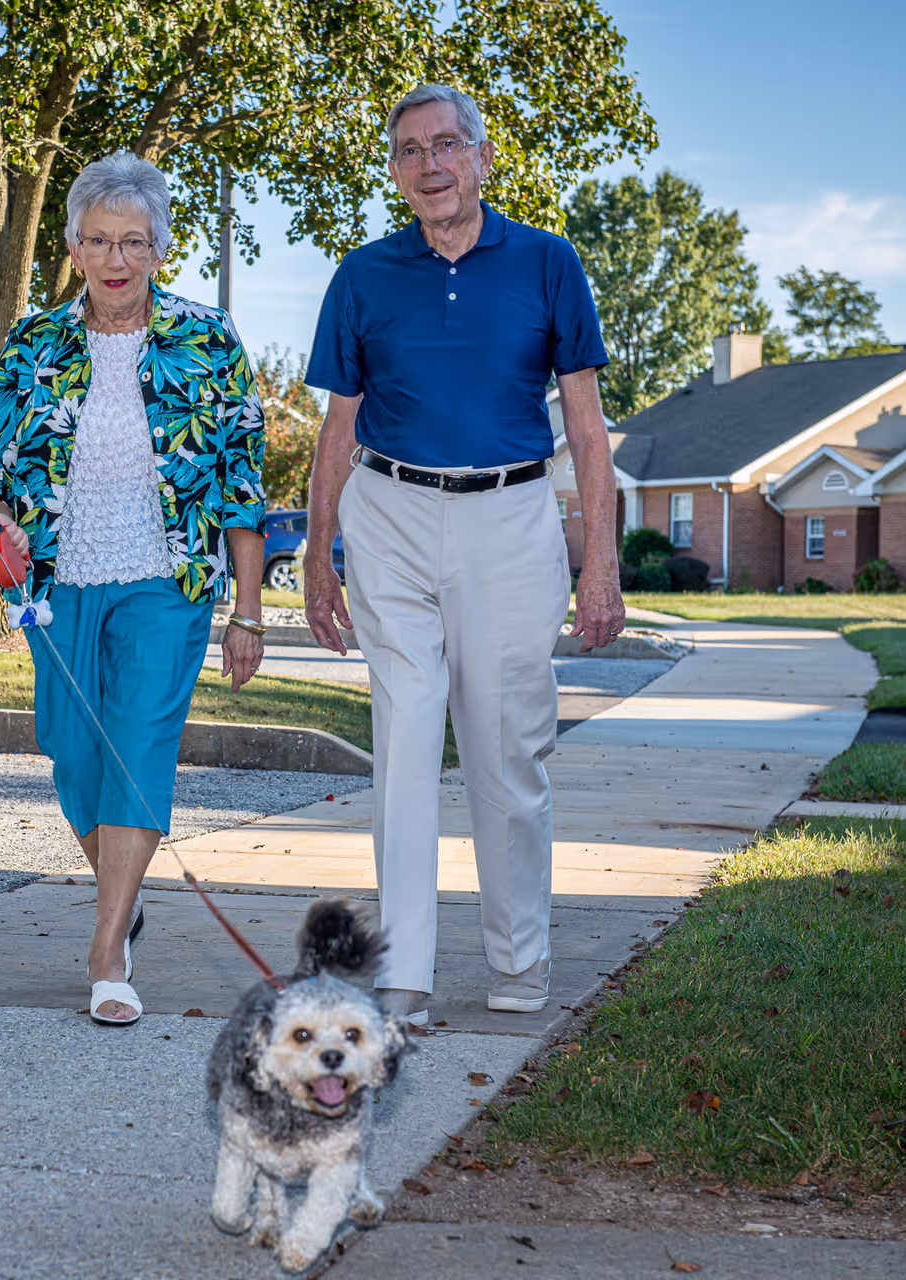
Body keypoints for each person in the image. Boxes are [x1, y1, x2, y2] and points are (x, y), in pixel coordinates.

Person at [301, 84, 625, 1024]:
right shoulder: (362, 277)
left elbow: (589, 431)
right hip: (390, 512)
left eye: (447, 145)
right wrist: (319, 555)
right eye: (410, 150)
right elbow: (336, 429)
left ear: (482, 157)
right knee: (404, 736)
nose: (431, 164)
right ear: (395, 171)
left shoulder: (548, 263)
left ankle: (519, 963)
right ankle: (403, 973)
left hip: (512, 516)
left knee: (506, 744)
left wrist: (599, 564)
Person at [0, 152, 268, 1026]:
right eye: (98, 241)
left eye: (133, 241)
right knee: (74, 753)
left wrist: (246, 612)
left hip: (166, 579)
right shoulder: (33, 343)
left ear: (160, 249)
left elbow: (241, 485)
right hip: (56, 584)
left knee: (136, 744)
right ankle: (121, 899)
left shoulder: (207, 342)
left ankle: (106, 952)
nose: (115, 259)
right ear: (74, 247)